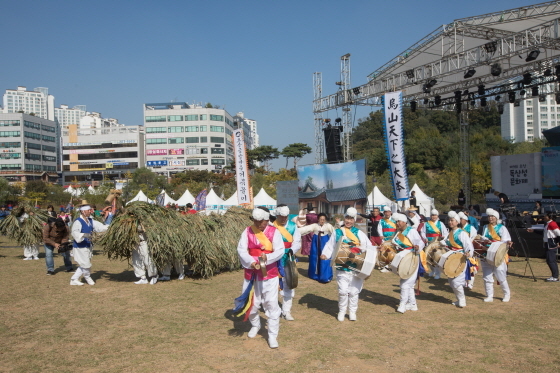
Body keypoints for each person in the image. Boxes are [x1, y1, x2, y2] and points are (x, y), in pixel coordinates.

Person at [234, 207, 284, 349]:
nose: (258, 224)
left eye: (261, 222)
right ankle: (255, 325)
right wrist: (251, 262)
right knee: (252, 304)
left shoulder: (274, 232)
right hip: (252, 274)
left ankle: (272, 335)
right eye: (256, 222)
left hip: (270, 274)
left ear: (267, 220)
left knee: (271, 304)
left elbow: (280, 250)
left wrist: (267, 257)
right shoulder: (247, 231)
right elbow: (241, 249)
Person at [321, 207, 375, 322]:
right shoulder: (338, 232)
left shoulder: (359, 233)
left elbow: (368, 246)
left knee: (354, 291)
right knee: (343, 290)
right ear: (344, 218)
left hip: (356, 264)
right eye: (347, 218)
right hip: (342, 264)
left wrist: (368, 252)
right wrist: (325, 254)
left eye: (351, 219)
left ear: (354, 220)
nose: (348, 221)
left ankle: (352, 312)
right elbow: (330, 245)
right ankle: (341, 311)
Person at [272, 204, 302, 321]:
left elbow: (297, 242)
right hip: (274, 259)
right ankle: (274, 309)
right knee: (273, 284)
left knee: (289, 284)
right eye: (281, 216)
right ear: (277, 215)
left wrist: (291, 250)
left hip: (288, 258)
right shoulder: (271, 226)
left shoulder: (293, 226)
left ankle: (286, 311)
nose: (284, 218)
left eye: (286, 216)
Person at [391, 213, 425, 313]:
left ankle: (402, 304)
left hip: (412, 258)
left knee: (405, 284)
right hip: (403, 259)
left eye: (399, 221)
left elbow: (421, 242)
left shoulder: (411, 231)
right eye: (396, 222)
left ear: (405, 222)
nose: (397, 223)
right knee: (408, 283)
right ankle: (413, 304)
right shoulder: (398, 233)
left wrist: (418, 247)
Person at [70, 204, 109, 286]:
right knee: (86, 263)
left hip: (88, 245)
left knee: (84, 263)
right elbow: (74, 232)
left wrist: (111, 227)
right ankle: (87, 277)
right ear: (83, 211)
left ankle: (74, 279)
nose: (91, 212)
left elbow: (100, 227)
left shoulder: (91, 221)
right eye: (89, 210)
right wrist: (84, 235)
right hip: (80, 246)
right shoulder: (78, 221)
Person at [480, 208, 512, 302]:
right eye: (489, 216)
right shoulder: (486, 227)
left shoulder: (502, 227)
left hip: (497, 253)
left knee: (500, 275)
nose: (490, 218)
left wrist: (493, 245)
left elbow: (505, 241)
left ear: (496, 217)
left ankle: (506, 294)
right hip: (486, 253)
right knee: (487, 276)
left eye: (492, 216)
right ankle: (489, 295)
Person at [443, 211, 474, 308]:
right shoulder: (450, 233)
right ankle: (459, 299)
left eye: (452, 220)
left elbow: (468, 246)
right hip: (452, 258)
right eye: (449, 220)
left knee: (457, 281)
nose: (450, 222)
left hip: (460, 258)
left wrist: (468, 253)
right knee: (451, 281)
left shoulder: (462, 233)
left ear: (457, 222)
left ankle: (462, 300)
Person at [300, 212, 335, 283]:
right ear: (318, 219)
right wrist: (295, 231)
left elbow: (335, 233)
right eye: (321, 219)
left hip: (325, 243)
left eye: (323, 219)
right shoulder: (315, 226)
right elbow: (306, 229)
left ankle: (325, 275)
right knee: (314, 258)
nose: (322, 221)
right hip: (315, 243)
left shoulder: (328, 226)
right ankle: (314, 275)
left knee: (325, 258)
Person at [420, 209, 448, 279]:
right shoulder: (426, 223)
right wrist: (424, 238)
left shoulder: (440, 223)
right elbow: (422, 232)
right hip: (429, 243)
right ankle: (432, 271)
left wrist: (443, 238)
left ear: (437, 216)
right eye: (432, 215)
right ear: (430, 216)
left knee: (437, 257)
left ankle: (438, 273)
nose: (434, 217)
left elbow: (445, 233)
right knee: (429, 257)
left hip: (437, 243)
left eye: (435, 215)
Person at [543, 214, 560, 282]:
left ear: (550, 217)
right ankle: (554, 276)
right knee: (550, 261)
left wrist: (558, 242)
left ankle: (555, 277)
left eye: (546, 216)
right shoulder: (548, 224)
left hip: (551, 245)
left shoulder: (552, 224)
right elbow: (545, 233)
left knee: (551, 261)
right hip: (548, 244)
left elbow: (559, 233)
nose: (544, 217)